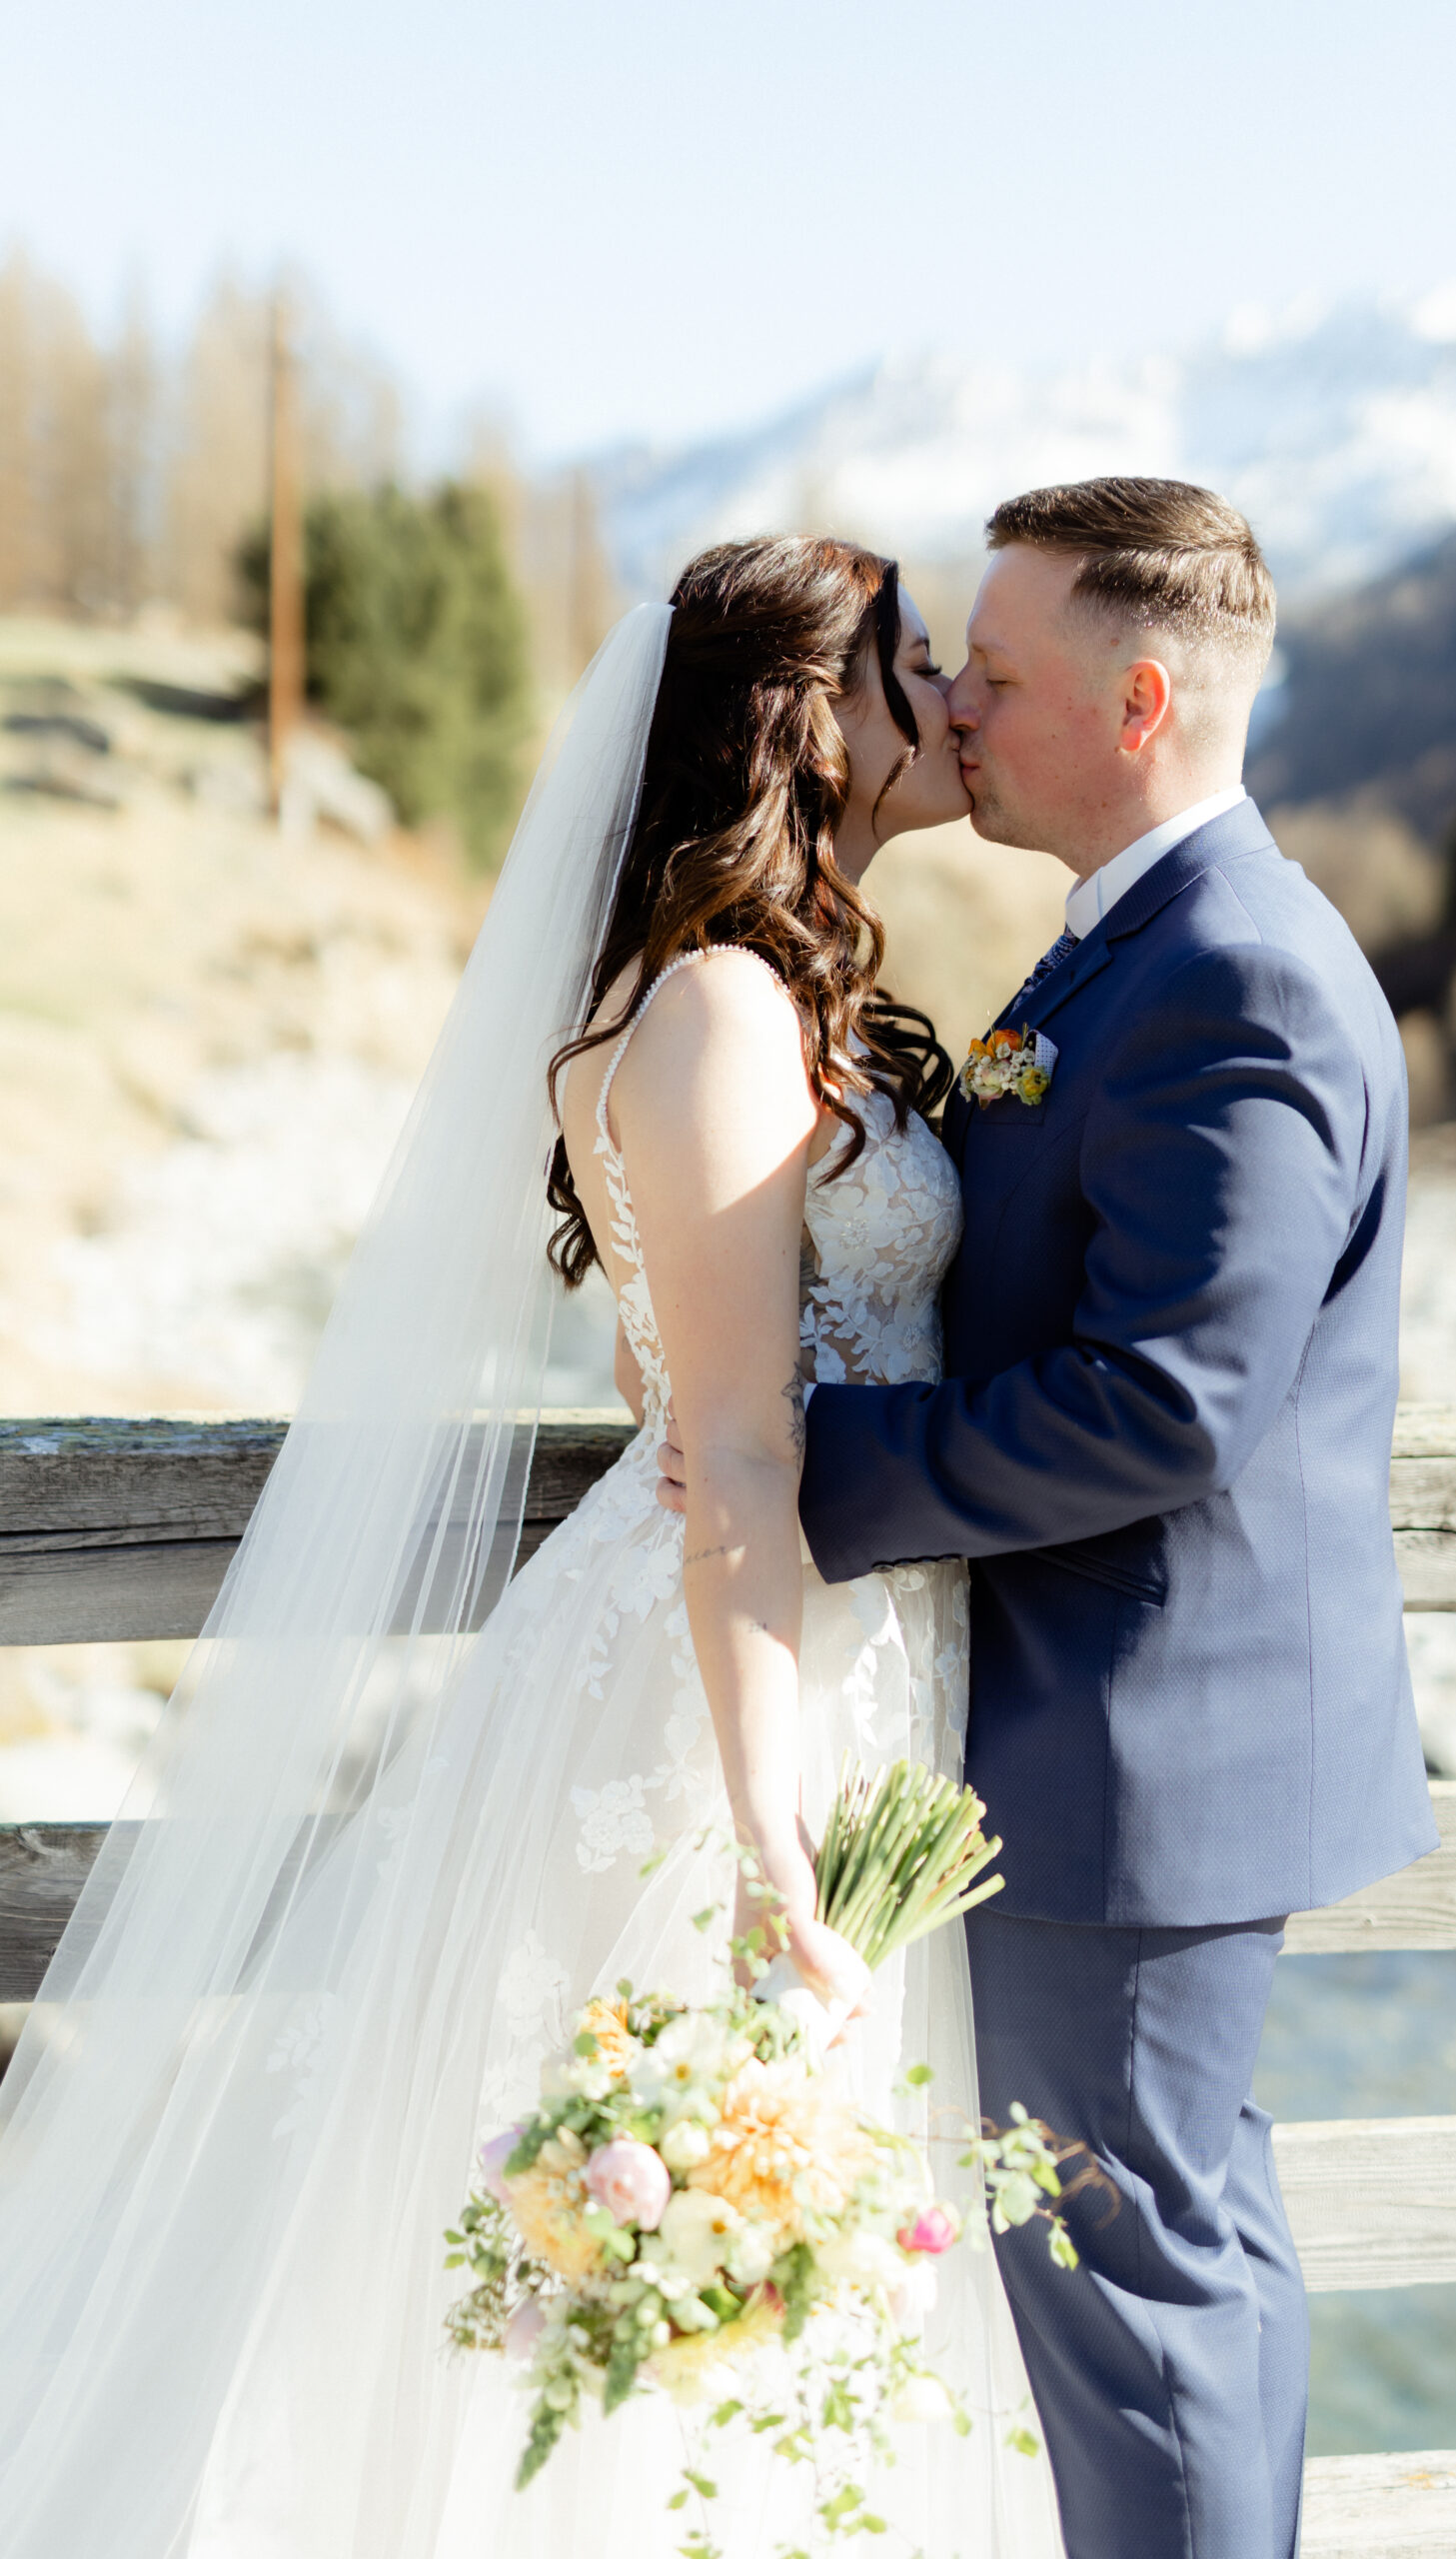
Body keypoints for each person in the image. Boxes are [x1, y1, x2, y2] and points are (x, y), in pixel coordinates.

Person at [0, 541, 1065, 2556]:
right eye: (911, 664)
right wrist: (771, 1839)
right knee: (670, 2229)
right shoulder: (721, 1008)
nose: (946, 700)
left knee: (750, 2235)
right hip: (730, 1699)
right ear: (807, 722)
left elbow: (666, 1350)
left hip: (831, 1646)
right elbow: (726, 1442)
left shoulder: (769, 992)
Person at [663, 477, 1440, 2559]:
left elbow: (1167, 1401)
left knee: (1136, 2298)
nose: (956, 709)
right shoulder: (1129, 944)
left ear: (1138, 701)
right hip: (1103, 1737)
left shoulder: (1234, 974)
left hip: (1140, 1754)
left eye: (993, 676)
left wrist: (804, 1465)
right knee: (1177, 2257)